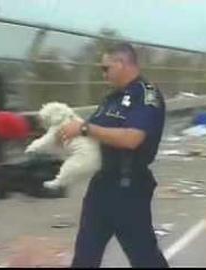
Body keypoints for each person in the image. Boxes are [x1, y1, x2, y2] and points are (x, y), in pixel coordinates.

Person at [59, 43, 169, 268]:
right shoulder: (112, 98)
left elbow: (132, 139)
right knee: (85, 257)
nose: (103, 74)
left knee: (145, 257)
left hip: (128, 190)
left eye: (106, 68)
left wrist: (85, 128)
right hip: (101, 187)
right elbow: (95, 133)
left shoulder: (146, 95)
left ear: (121, 64)